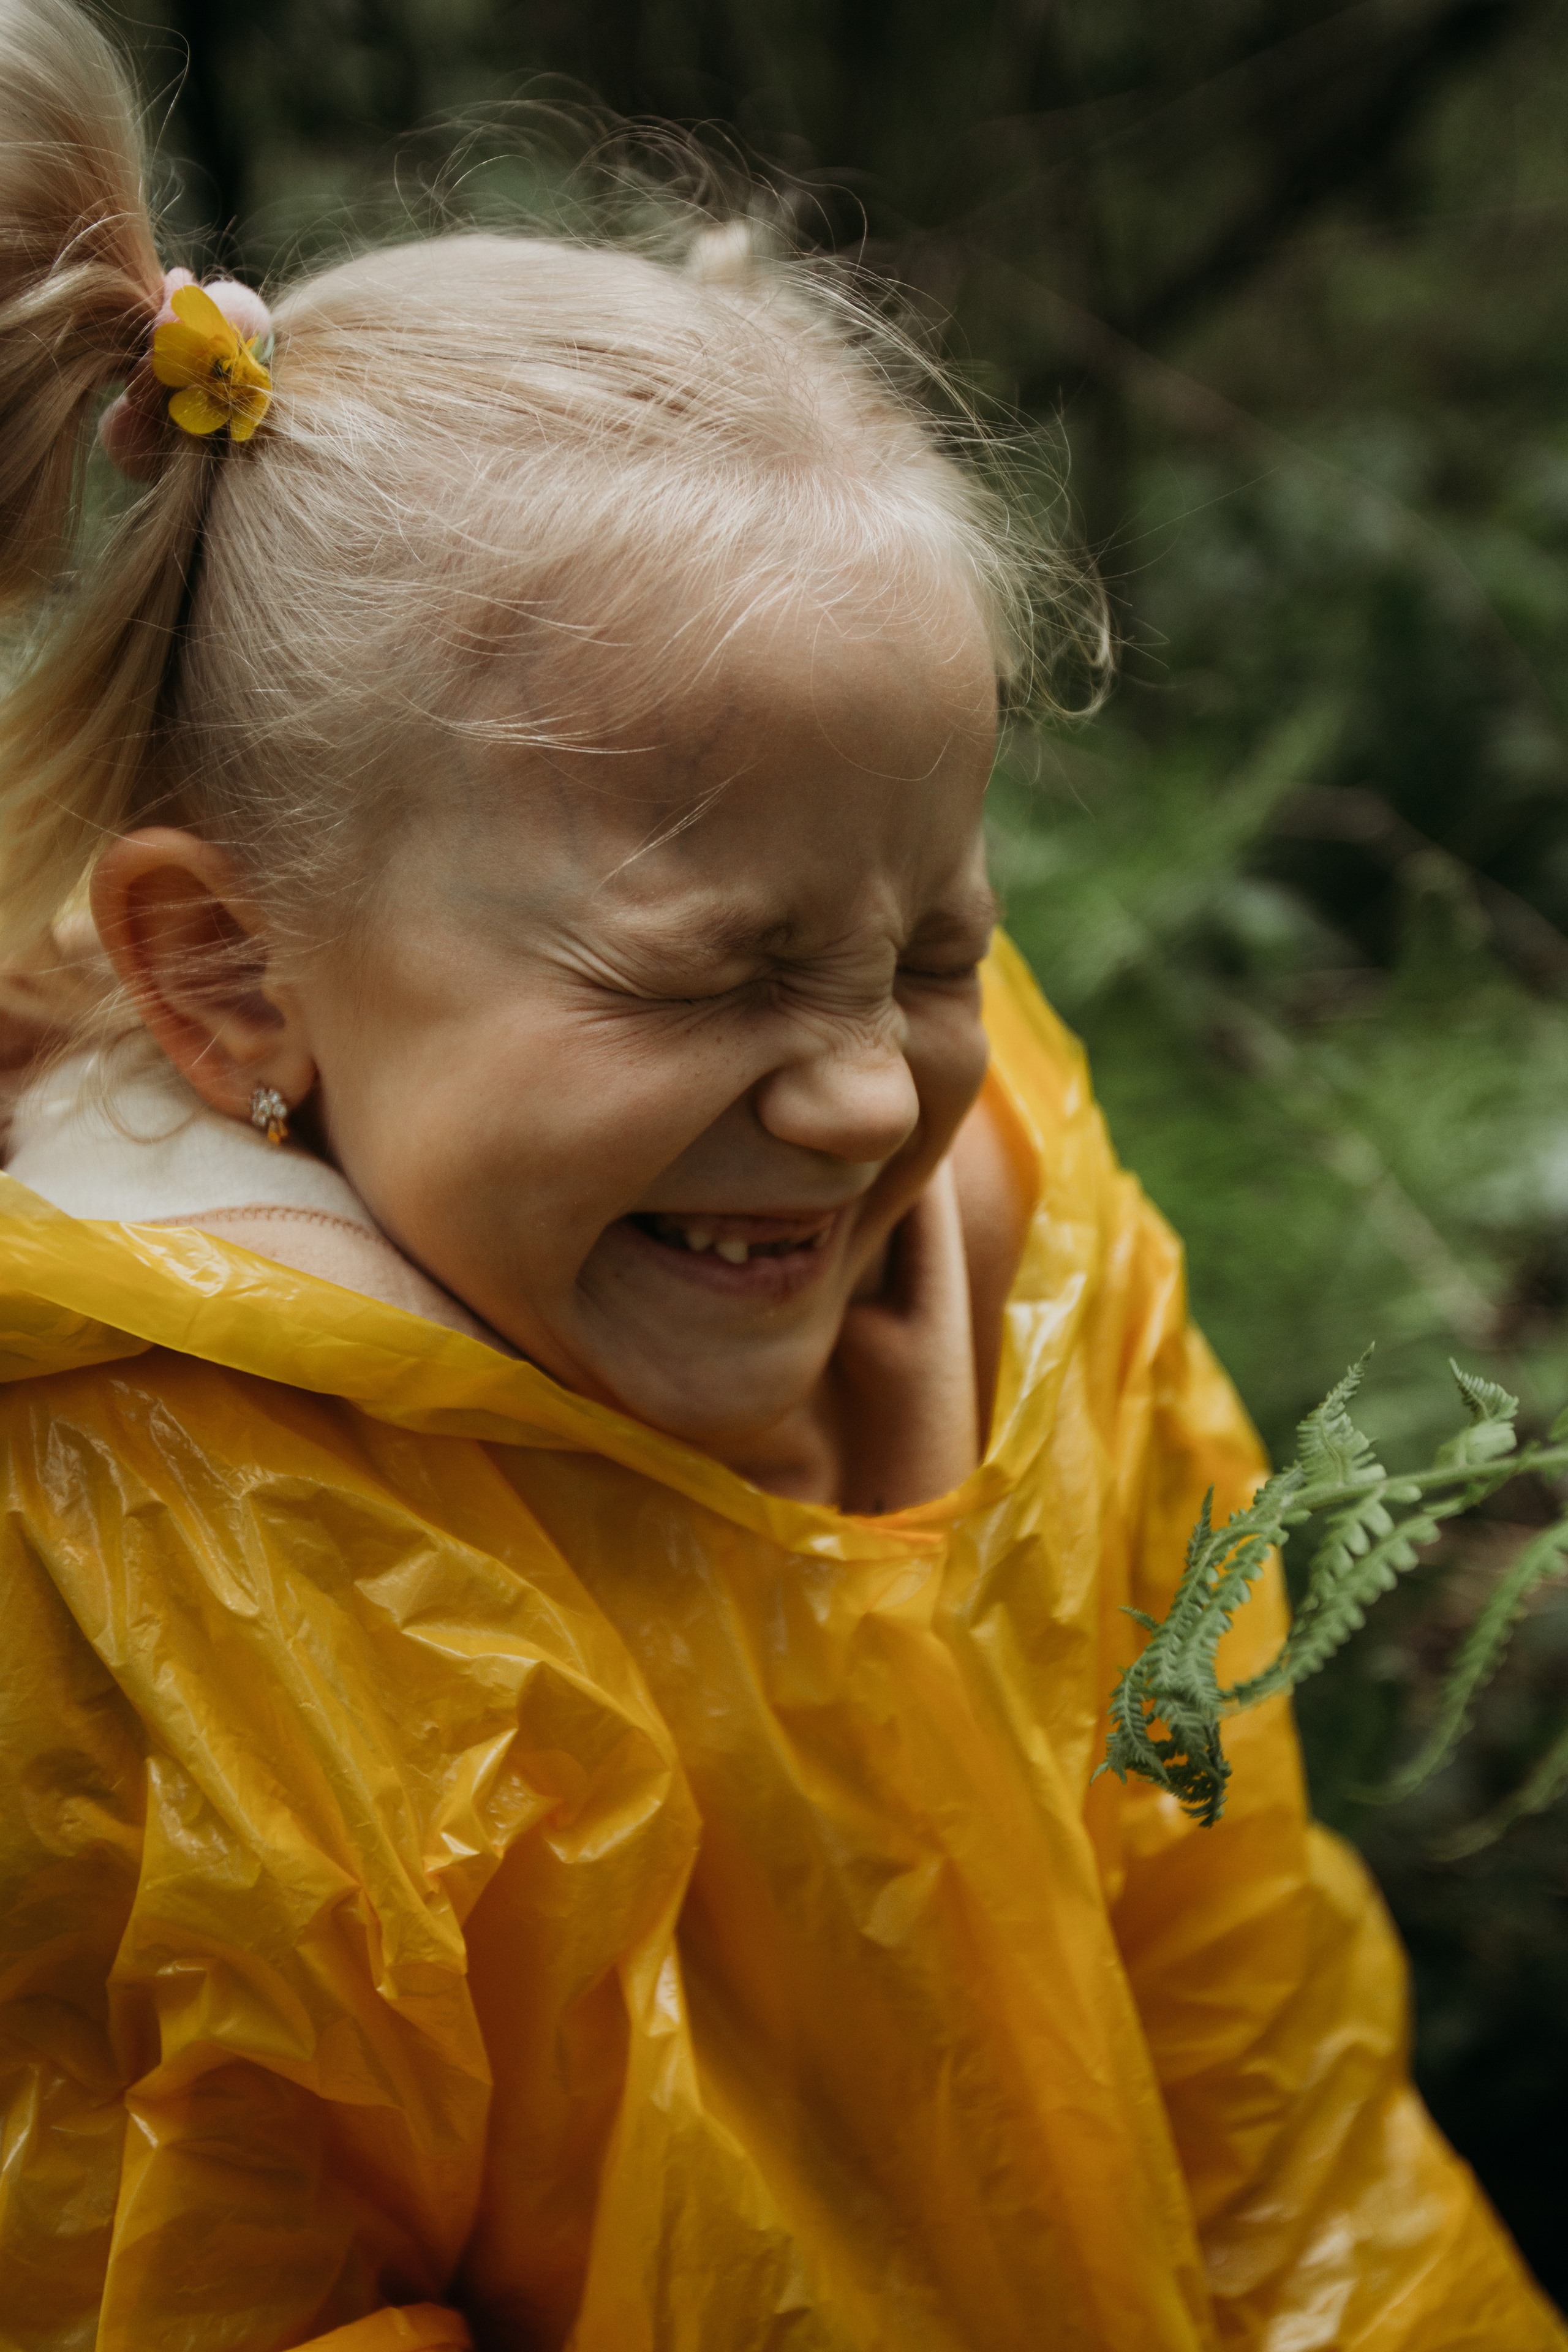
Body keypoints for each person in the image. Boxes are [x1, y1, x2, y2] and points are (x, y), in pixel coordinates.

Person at [0, 2, 1559, 2345]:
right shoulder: (148, 1572)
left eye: (930, 948)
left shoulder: (1032, 1281)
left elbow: (1261, 2047)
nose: (859, 1103)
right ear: (228, 976)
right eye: (701, 987)